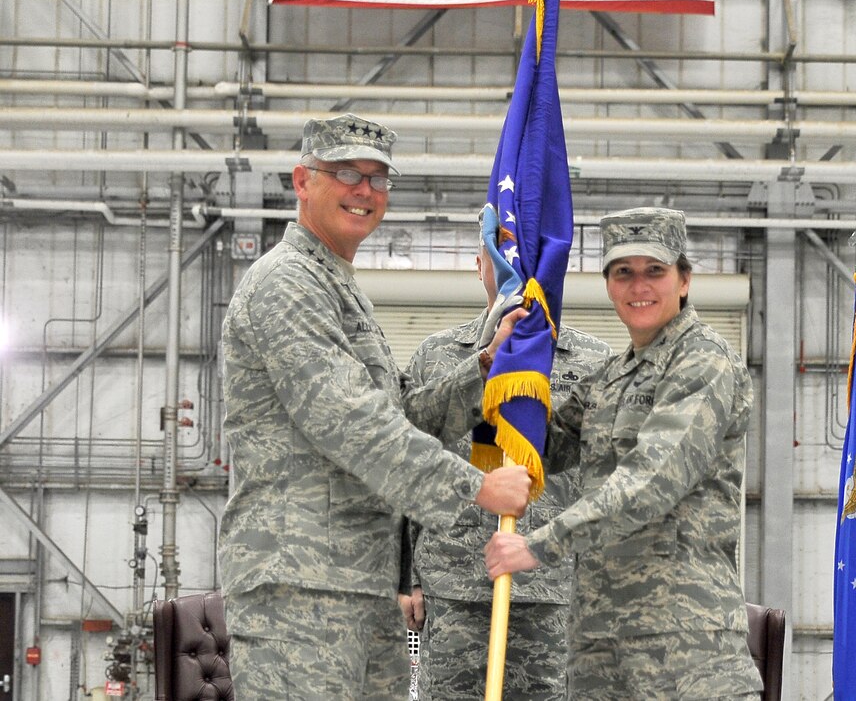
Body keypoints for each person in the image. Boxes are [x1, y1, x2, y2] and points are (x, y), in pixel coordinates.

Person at [218, 113, 531, 700]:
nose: (364, 191)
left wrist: (482, 369)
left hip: (361, 583)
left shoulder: (337, 285)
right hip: (300, 588)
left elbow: (396, 414)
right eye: (346, 174)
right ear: (302, 181)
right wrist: (476, 487)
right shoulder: (287, 284)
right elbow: (349, 422)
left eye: (378, 179)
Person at [485, 207, 764, 700]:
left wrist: (537, 546)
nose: (639, 287)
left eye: (654, 270)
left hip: (685, 646)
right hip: (598, 643)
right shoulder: (609, 377)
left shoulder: (705, 361)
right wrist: (501, 361)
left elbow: (651, 480)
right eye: (623, 273)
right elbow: (534, 447)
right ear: (609, 286)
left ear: (684, 280)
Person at [400, 214, 612, 700]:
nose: (514, 267)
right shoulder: (437, 358)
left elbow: (608, 480)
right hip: (454, 585)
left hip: (553, 588)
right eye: (501, 254)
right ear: (480, 266)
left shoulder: (593, 363)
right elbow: (404, 465)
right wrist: (406, 574)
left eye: (525, 253)